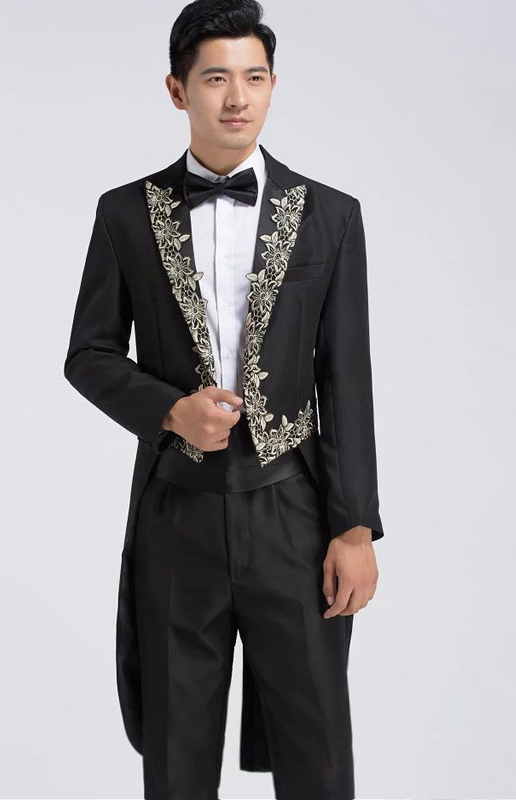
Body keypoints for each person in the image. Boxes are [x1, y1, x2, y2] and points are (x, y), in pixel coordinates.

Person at [63, 1, 384, 797]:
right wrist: (170, 411)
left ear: (272, 85)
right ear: (178, 90)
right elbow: (89, 355)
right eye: (215, 79)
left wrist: (354, 526)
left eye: (254, 77)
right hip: (178, 512)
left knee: (318, 753)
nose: (237, 97)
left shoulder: (331, 216)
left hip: (294, 511)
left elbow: (346, 376)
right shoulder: (125, 213)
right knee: (177, 758)